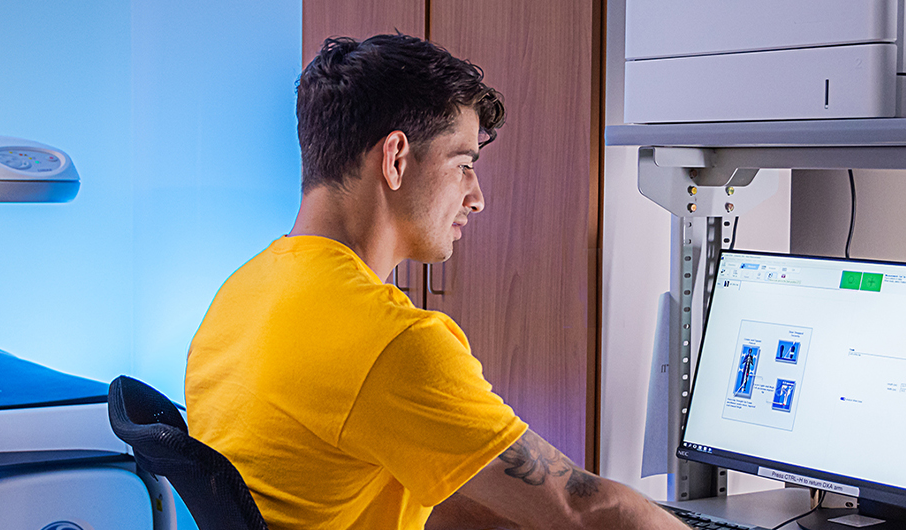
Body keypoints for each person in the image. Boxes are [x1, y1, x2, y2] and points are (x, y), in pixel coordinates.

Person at [185, 34, 688, 530]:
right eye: (464, 165)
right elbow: (582, 512)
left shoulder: (242, 293)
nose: (477, 197)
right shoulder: (391, 342)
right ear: (396, 159)